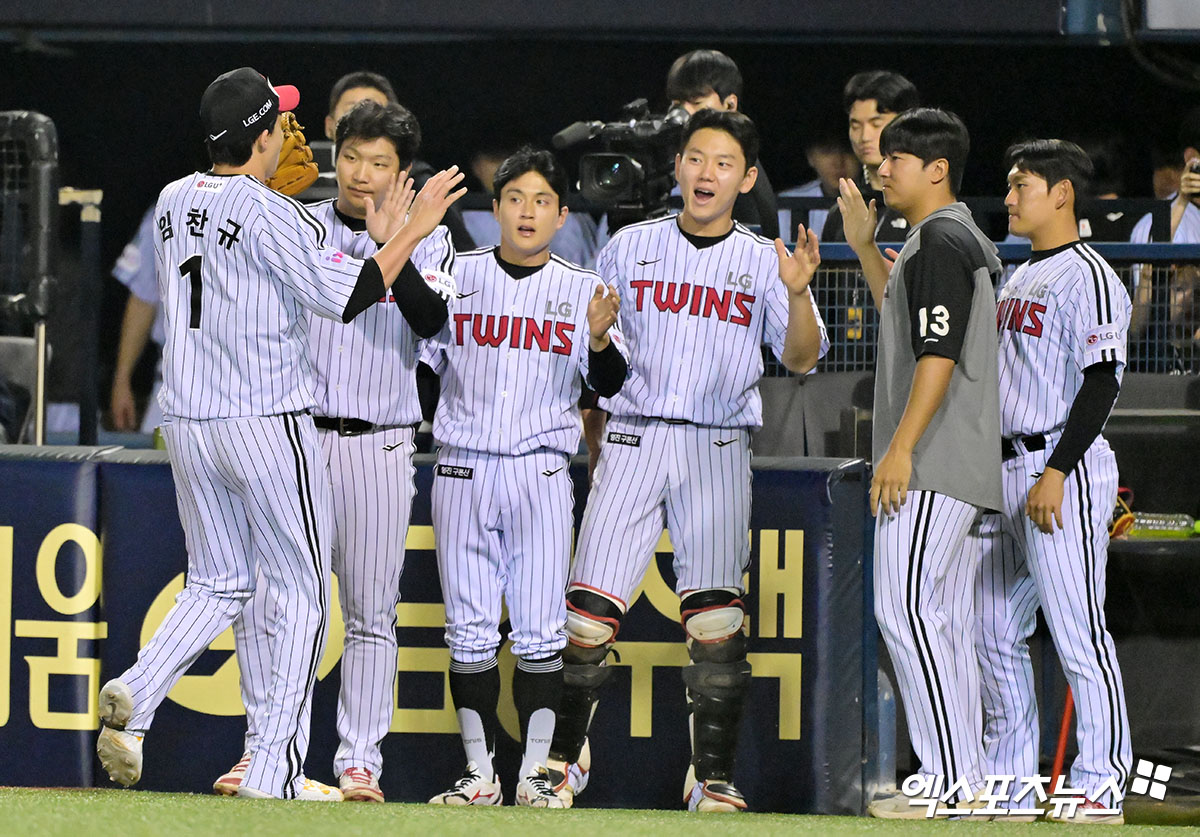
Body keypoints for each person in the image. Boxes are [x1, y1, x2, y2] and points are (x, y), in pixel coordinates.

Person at [94, 66, 465, 801]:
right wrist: (413, 231)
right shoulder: (279, 214)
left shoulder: (171, 200)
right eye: (280, 126)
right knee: (298, 591)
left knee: (219, 580)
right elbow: (352, 295)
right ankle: (273, 768)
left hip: (191, 421)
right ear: (261, 136)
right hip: (266, 420)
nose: (291, 137)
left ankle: (138, 693)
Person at [548, 109, 828, 813]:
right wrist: (600, 347)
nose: (707, 173)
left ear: (748, 177)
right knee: (585, 616)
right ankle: (561, 762)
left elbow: (799, 359)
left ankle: (712, 778)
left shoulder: (767, 259)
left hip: (717, 441)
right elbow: (599, 364)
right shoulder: (629, 245)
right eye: (697, 158)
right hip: (635, 433)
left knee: (714, 621)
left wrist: (796, 293)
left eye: (724, 162)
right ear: (678, 167)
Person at [210, 100, 457, 803]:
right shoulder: (299, 223)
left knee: (372, 610)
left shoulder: (428, 236)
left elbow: (433, 319)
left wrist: (396, 242)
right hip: (296, 438)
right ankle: (263, 750)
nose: (361, 172)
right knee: (268, 601)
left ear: (402, 171)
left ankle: (359, 762)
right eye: (351, 155)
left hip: (379, 442)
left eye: (380, 162)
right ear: (333, 154)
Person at [420, 148, 628, 807]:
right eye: (515, 198)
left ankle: (538, 775)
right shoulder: (456, 274)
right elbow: (424, 367)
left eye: (542, 200)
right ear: (495, 207)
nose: (528, 211)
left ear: (563, 214)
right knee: (470, 631)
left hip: (540, 471)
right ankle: (480, 775)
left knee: (540, 633)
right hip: (461, 465)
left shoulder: (580, 287)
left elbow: (610, 383)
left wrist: (597, 341)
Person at [836, 108, 1002, 818]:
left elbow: (937, 356)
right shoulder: (943, 239)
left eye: (895, 159)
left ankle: (954, 779)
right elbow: (905, 316)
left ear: (937, 167)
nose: (881, 170)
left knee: (905, 609)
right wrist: (864, 247)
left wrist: (900, 447)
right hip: (958, 462)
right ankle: (968, 779)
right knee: (941, 622)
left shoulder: (939, 239)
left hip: (933, 459)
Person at [976, 139, 1132, 825]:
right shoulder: (1018, 274)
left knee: (1077, 630)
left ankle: (1102, 780)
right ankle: (1012, 781)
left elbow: (1103, 381)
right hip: (1009, 469)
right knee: (991, 628)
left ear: (1062, 193)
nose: (1009, 198)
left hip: (1059, 470)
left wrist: (1059, 470)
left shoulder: (1089, 274)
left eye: (1022, 184)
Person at [664, 49, 779, 239]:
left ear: (730, 105)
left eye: (696, 103)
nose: (683, 116)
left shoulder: (737, 177)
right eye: (677, 104)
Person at [821, 71, 920, 244]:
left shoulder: (925, 207)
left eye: (876, 124)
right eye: (856, 125)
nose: (864, 136)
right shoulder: (841, 213)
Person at [109, 207, 164, 434]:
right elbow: (144, 299)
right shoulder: (167, 209)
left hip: (254, 390)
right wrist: (122, 378)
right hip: (175, 387)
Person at [776, 129, 859, 241]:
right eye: (827, 151)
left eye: (848, 151)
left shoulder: (878, 200)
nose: (838, 162)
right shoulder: (786, 204)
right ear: (810, 157)